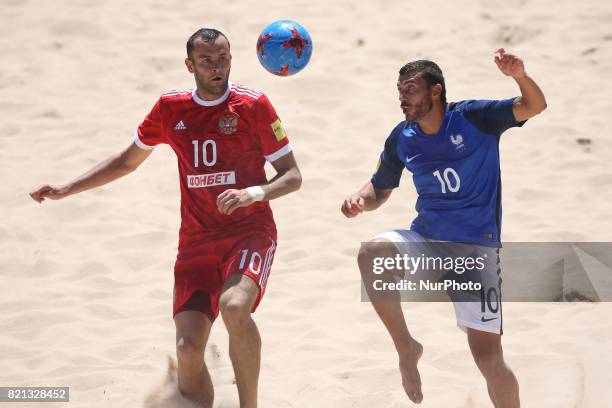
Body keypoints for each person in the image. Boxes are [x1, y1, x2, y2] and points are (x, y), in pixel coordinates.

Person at [30, 28, 302, 408]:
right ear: (190, 65)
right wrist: (66, 189)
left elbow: (293, 176)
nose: (216, 67)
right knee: (188, 348)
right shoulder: (170, 109)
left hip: (249, 231)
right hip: (196, 243)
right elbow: (127, 162)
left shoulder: (253, 105)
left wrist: (251, 194)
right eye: (206, 60)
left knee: (234, 306)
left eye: (222, 58)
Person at [341, 49, 546, 407]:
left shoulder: (474, 117)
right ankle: (407, 348)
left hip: (474, 253)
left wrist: (520, 75)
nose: (403, 97)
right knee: (372, 253)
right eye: (400, 90)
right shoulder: (402, 137)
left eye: (411, 89)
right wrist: (360, 199)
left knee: (488, 360)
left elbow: (534, 106)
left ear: (435, 91)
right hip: (426, 241)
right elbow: (380, 188)